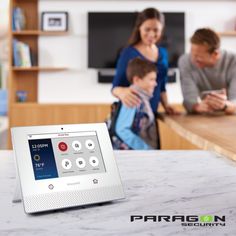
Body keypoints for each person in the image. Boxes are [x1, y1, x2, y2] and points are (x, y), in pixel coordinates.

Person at [112, 7, 177, 115]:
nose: (151, 34)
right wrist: (122, 92)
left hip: (152, 115)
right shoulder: (128, 53)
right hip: (132, 114)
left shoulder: (163, 53)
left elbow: (161, 85)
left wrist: (166, 105)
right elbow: (115, 87)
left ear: (161, 30)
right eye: (147, 29)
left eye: (156, 30)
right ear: (139, 28)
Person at [178, 28, 236, 115]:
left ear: (215, 54)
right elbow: (189, 100)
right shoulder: (185, 61)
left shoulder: (233, 61)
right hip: (204, 116)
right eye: (192, 54)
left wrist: (224, 105)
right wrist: (197, 107)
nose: (193, 60)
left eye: (198, 56)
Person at [112, 57, 158, 150]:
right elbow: (122, 130)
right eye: (151, 79)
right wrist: (146, 149)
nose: (155, 83)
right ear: (137, 80)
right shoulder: (132, 98)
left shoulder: (142, 98)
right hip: (133, 156)